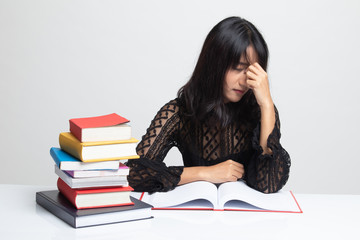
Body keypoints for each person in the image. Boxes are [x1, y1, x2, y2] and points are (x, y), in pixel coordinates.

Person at [127, 16, 291, 194]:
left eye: (252, 71)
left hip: (246, 218)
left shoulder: (261, 111)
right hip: (195, 214)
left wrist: (267, 104)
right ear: (215, 64)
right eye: (238, 67)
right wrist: (205, 173)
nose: (245, 81)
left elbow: (269, 183)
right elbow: (135, 174)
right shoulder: (179, 112)